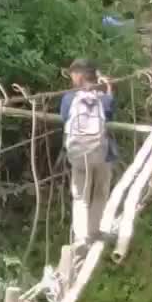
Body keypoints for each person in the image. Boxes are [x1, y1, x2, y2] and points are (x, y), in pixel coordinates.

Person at [60, 58, 118, 245]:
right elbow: (110, 112)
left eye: (72, 75)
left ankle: (81, 238)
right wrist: (108, 87)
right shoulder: (102, 98)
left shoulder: (69, 98)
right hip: (101, 154)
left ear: (79, 75)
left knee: (80, 196)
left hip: (78, 155)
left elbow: (64, 117)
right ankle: (94, 232)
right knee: (100, 192)